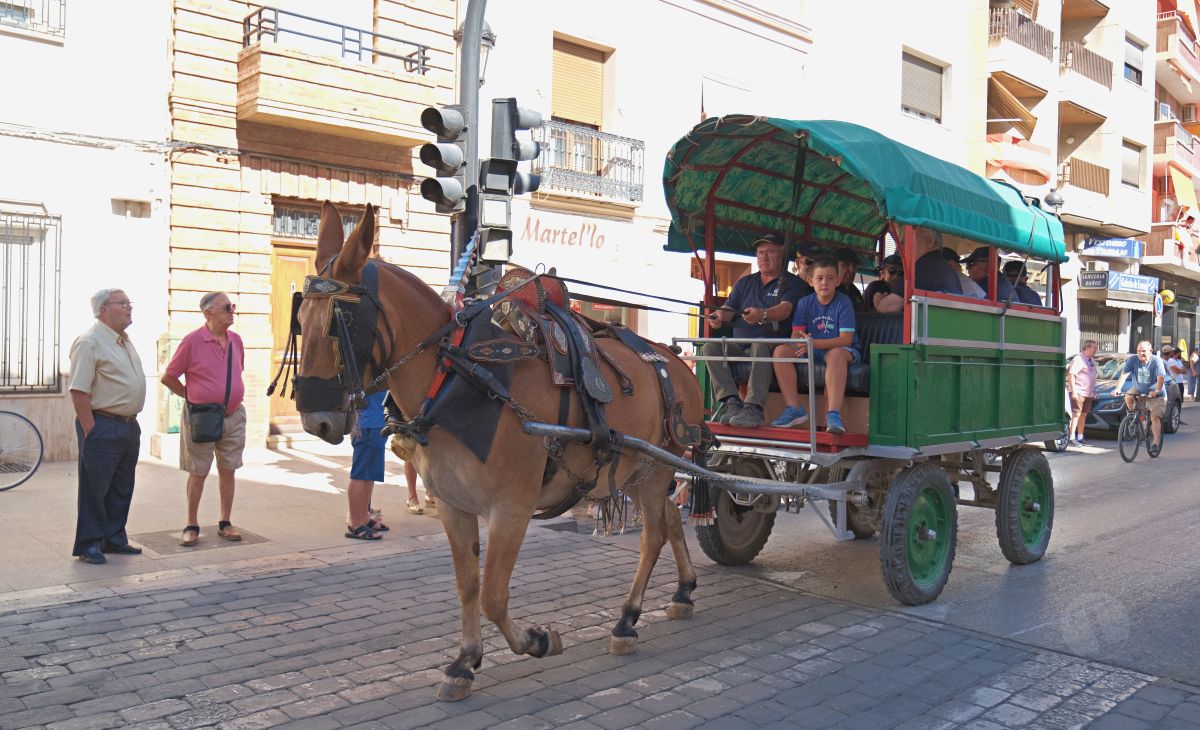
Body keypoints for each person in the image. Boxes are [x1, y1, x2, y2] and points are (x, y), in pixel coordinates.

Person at [162, 292, 247, 547]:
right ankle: (191, 524)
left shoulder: (236, 341)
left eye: (232, 307)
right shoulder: (191, 342)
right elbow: (168, 377)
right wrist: (192, 397)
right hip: (201, 418)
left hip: (233, 415)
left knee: (228, 469)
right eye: (226, 308)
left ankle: (225, 522)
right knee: (198, 471)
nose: (232, 311)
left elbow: (237, 371)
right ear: (208, 312)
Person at [69, 289, 146, 565]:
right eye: (123, 303)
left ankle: (114, 537)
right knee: (94, 488)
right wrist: (91, 428)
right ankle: (89, 543)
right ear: (104, 309)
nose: (129, 307)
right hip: (102, 424)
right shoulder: (89, 341)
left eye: (129, 302)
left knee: (122, 486)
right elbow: (78, 390)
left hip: (128, 426)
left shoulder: (123, 340)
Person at [702, 234, 806, 428]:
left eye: (770, 252)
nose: (764, 257)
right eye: (760, 253)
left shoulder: (793, 283)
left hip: (772, 348)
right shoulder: (745, 282)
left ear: (783, 257)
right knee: (710, 347)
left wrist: (763, 314)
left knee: (759, 343)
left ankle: (753, 408)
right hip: (740, 349)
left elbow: (785, 309)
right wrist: (719, 317)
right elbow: (729, 308)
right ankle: (731, 402)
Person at [770, 256, 860, 434]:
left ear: (838, 281)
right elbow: (797, 333)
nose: (824, 283)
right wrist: (800, 341)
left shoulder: (844, 302)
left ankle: (833, 414)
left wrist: (814, 343)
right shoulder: (805, 303)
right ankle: (794, 408)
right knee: (780, 351)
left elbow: (846, 339)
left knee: (835, 354)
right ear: (811, 281)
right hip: (812, 347)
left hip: (843, 350)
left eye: (830, 278)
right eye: (819, 278)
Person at [347, 390, 389, 539]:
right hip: (367, 423)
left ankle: (364, 517)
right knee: (361, 474)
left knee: (369, 474)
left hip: (375, 421)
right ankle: (355, 524)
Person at [1113, 340, 1167, 452]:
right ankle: (1137, 417)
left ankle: (1155, 443)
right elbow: (1123, 375)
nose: (1140, 354)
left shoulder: (1156, 361)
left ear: (1151, 351)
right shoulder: (1132, 360)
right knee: (1128, 396)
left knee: (1155, 417)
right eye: (1138, 351)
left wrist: (1156, 390)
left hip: (1155, 391)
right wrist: (1117, 389)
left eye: (1143, 351)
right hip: (1139, 389)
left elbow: (1160, 379)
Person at [1067, 340, 1098, 447]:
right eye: (1094, 348)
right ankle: (1071, 437)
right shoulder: (1079, 359)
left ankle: (1080, 437)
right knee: (1076, 414)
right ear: (1087, 348)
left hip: (1088, 393)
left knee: (1083, 415)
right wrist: (1074, 391)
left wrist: (1093, 391)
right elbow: (1071, 375)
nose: (1096, 350)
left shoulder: (1091, 361)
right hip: (1079, 391)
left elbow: (1093, 377)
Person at [913, 229, 963, 295]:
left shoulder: (926, 265)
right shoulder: (952, 275)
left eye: (912, 240)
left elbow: (896, 302)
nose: (905, 246)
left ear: (930, 242)